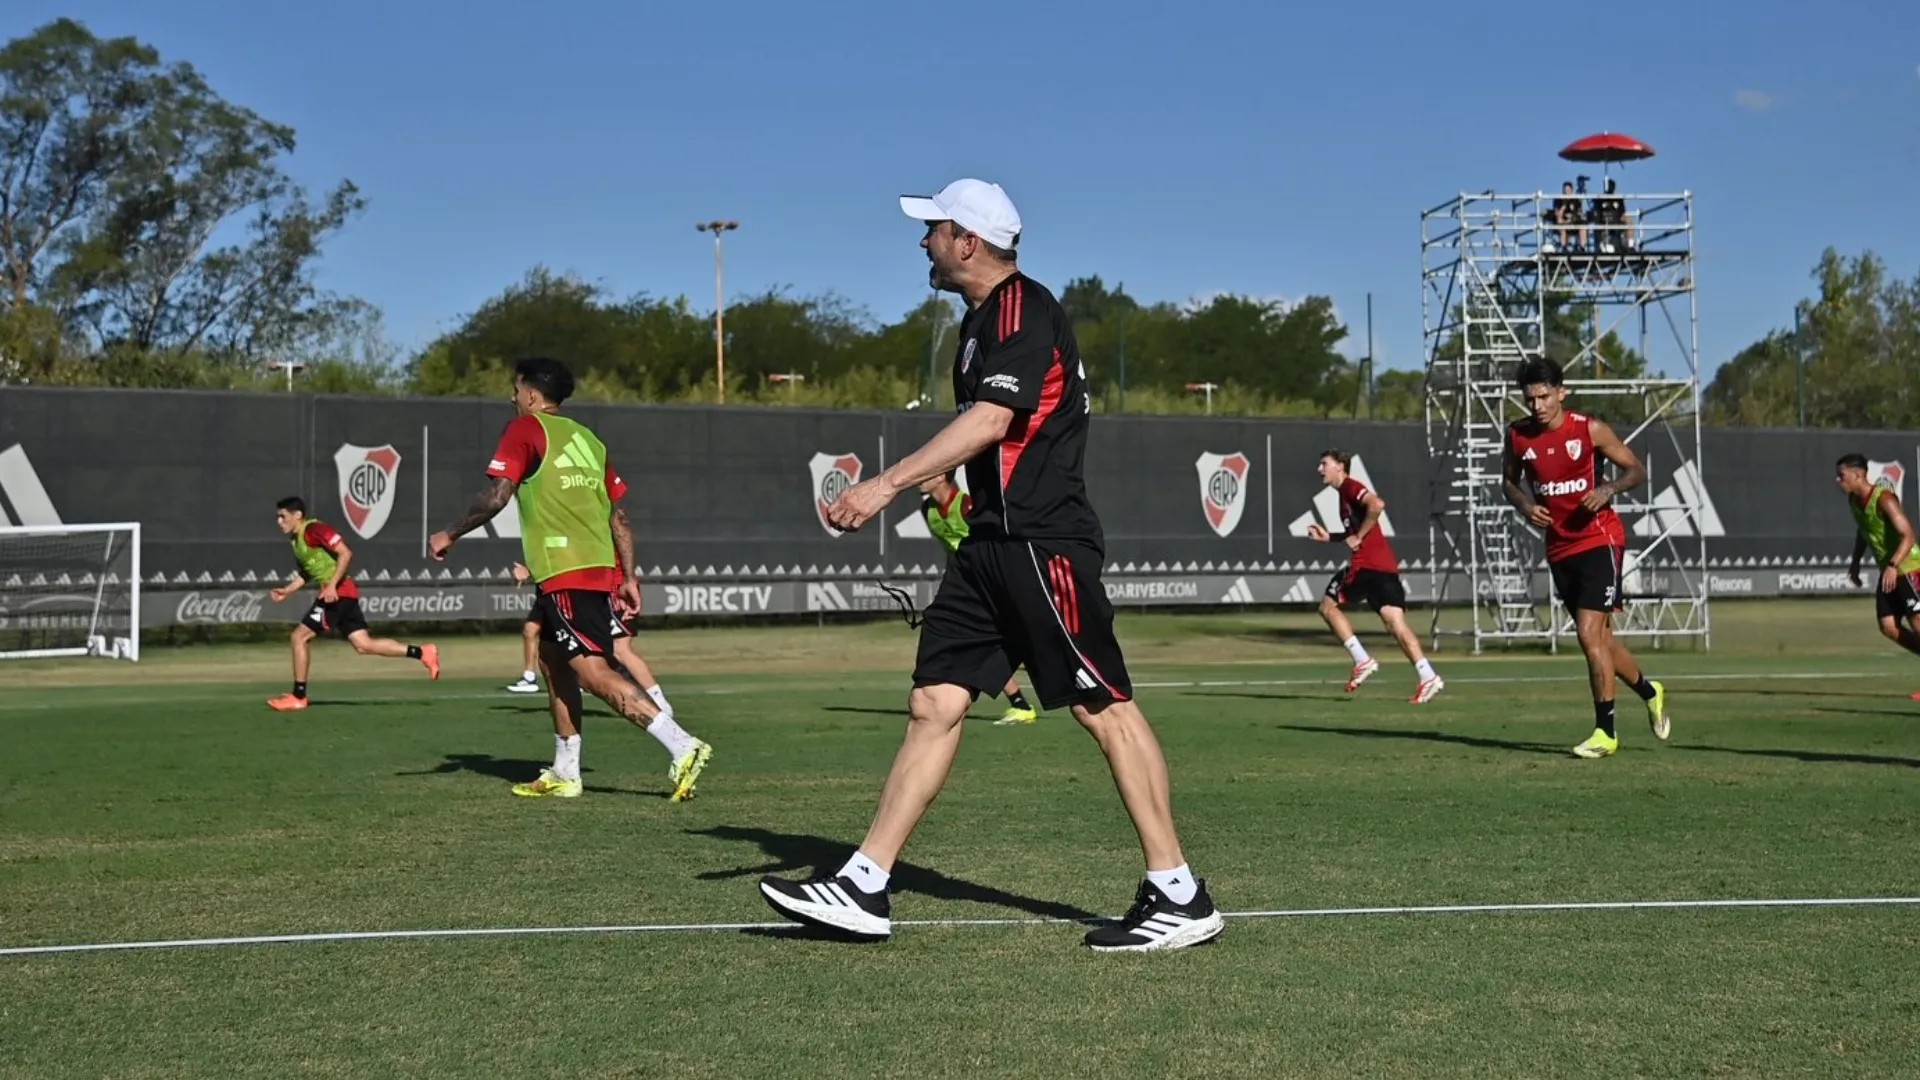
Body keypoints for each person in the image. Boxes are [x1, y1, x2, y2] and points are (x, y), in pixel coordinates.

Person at [758, 178, 1223, 951]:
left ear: (967, 241)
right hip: (989, 546)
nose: (923, 242)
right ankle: (864, 884)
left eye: (933, 229)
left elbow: (994, 418)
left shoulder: (1022, 309)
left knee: (1101, 706)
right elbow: (989, 431)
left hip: (1042, 542)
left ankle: (1178, 891)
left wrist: (883, 486)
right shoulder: (980, 322)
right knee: (934, 702)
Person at [429, 357, 713, 801]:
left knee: (594, 671)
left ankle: (682, 745)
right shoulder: (589, 439)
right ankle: (565, 770)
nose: (512, 396)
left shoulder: (525, 429)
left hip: (565, 570)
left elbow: (497, 495)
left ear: (531, 395)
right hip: (587, 569)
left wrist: (450, 532)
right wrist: (629, 576)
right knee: (551, 660)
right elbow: (618, 517)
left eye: (515, 389)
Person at [1502, 357, 1669, 758]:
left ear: (1562, 392)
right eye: (1530, 399)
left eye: (1544, 396)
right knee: (1602, 641)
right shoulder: (1518, 436)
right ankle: (1650, 690)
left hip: (1600, 539)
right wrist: (1525, 506)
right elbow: (1508, 481)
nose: (1538, 405)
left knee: (1587, 634)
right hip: (1559, 547)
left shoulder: (1588, 428)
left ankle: (1605, 733)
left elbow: (1636, 470)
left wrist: (1608, 489)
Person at [266, 497, 438, 710]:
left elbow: (345, 552)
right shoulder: (297, 541)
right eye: (278, 517)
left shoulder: (314, 529)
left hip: (338, 594)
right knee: (364, 645)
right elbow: (307, 573)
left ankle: (298, 696)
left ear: (298, 515)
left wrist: (331, 586)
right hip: (342, 594)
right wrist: (288, 590)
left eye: (283, 516)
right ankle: (422, 652)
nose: (279, 521)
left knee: (298, 637)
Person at [1304, 449, 1443, 703]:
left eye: (1324, 464)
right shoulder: (1342, 496)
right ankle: (1427, 675)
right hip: (1385, 567)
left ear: (1340, 467)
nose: (1319, 469)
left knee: (1327, 607)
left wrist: (1359, 535)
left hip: (1365, 566)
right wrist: (1331, 537)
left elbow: (1376, 505)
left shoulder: (1349, 487)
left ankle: (1361, 659)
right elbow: (1356, 536)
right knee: (1395, 623)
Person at [920, 470, 1039, 725]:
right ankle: (1020, 703)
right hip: (965, 586)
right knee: (981, 648)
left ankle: (1032, 680)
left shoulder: (965, 505)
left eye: (927, 474)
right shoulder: (927, 510)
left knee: (1003, 645)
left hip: (991, 582)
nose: (920, 478)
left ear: (942, 477)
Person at [1835, 454, 1920, 693]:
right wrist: (1855, 563)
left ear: (1858, 475)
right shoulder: (1853, 501)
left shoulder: (1884, 499)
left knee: (1917, 623)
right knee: (1888, 627)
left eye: (1841, 475)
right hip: (1889, 570)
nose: (1837, 480)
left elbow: (1908, 535)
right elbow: (1864, 531)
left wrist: (1893, 564)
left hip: (1909, 567)